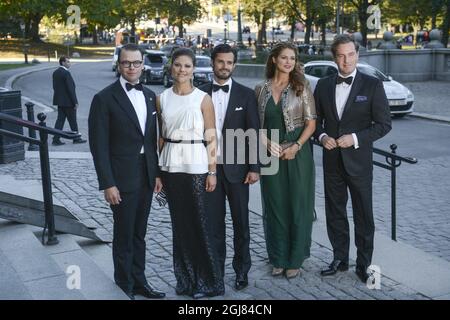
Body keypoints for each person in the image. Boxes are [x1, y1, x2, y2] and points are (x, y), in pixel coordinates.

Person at [88, 44, 165, 300]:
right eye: (126, 63)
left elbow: (151, 140)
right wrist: (107, 183)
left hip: (145, 177)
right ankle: (124, 284)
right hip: (120, 180)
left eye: (136, 63)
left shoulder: (150, 96)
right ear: (119, 65)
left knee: (139, 234)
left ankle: (140, 281)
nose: (131, 67)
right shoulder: (104, 98)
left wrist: (156, 174)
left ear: (143, 64)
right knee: (124, 233)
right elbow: (98, 146)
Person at [314, 34, 391, 283]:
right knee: (335, 212)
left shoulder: (372, 85)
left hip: (359, 162)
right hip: (332, 161)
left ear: (357, 55)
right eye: (340, 55)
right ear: (334, 57)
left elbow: (383, 125)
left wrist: (355, 138)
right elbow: (315, 123)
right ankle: (339, 259)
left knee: (363, 215)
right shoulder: (324, 85)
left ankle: (364, 264)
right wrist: (323, 136)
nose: (346, 60)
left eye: (350, 54)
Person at [157, 48, 224, 299]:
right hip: (171, 166)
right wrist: (158, 173)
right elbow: (161, 138)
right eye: (177, 65)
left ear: (193, 69)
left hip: (197, 165)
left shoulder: (202, 99)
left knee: (200, 225)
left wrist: (212, 171)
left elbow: (211, 136)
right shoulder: (161, 98)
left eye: (186, 66)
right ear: (171, 67)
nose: (182, 70)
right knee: (180, 226)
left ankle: (209, 282)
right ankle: (185, 279)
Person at [198, 44, 260, 291]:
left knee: (241, 223)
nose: (225, 66)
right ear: (213, 63)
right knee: (213, 225)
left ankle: (242, 271)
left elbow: (253, 132)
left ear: (234, 65)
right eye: (220, 62)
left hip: (239, 172)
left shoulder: (246, 95)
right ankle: (216, 273)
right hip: (208, 171)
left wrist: (254, 167)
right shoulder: (200, 93)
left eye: (229, 62)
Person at [255, 42, 316, 279]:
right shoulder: (260, 89)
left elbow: (311, 123)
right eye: (284, 57)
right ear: (274, 60)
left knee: (298, 205)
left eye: (292, 58)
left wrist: (297, 146)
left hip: (297, 152)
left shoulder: (302, 87)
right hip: (269, 152)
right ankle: (278, 257)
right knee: (275, 205)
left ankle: (295, 258)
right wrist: (264, 140)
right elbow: (255, 124)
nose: (289, 62)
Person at [51, 56, 86, 145]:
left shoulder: (55, 72)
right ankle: (76, 138)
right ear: (62, 63)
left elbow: (55, 87)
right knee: (73, 121)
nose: (69, 63)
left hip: (60, 102)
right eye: (68, 62)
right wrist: (75, 102)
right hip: (68, 102)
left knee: (60, 121)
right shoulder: (66, 73)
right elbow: (71, 89)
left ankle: (56, 139)